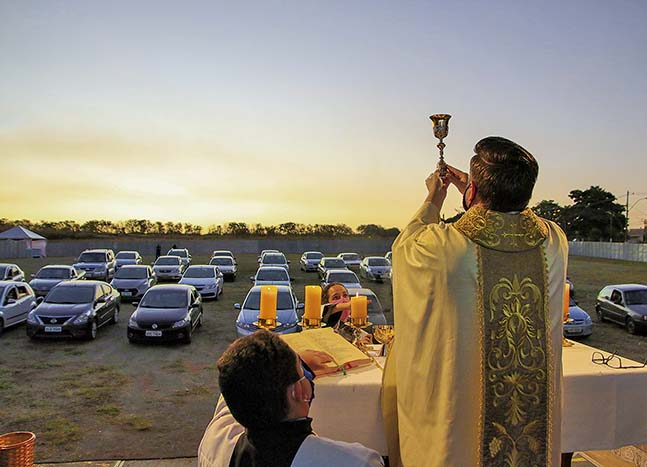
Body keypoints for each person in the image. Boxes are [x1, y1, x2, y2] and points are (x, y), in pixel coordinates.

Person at [383, 136, 568, 467]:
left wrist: (434, 198)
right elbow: (514, 208)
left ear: (471, 194)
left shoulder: (444, 248)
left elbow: (404, 247)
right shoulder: (554, 241)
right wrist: (484, 192)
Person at [198, 330, 384, 467]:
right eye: (302, 373)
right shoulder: (356, 462)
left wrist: (295, 365)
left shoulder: (214, 440)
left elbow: (236, 380)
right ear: (298, 392)